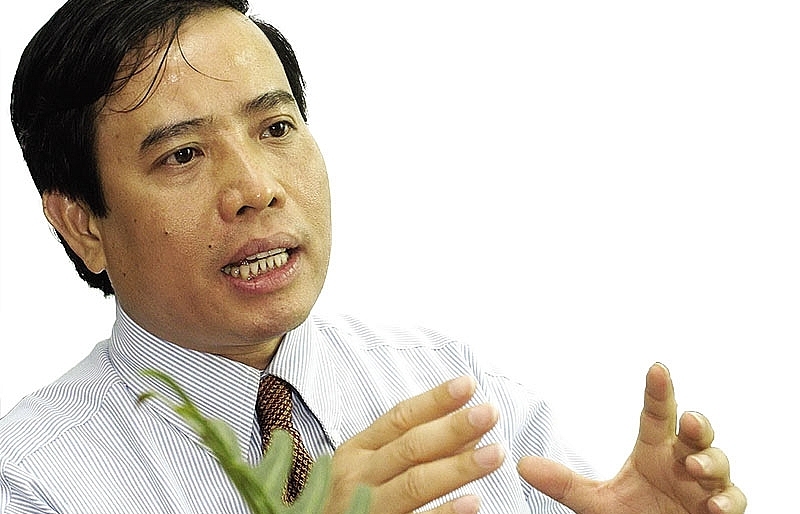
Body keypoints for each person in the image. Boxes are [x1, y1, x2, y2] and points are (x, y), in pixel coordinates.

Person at [0, 0, 746, 513]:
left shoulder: (454, 389)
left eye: (276, 129)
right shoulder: (35, 479)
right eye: (184, 154)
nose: (255, 189)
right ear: (82, 224)